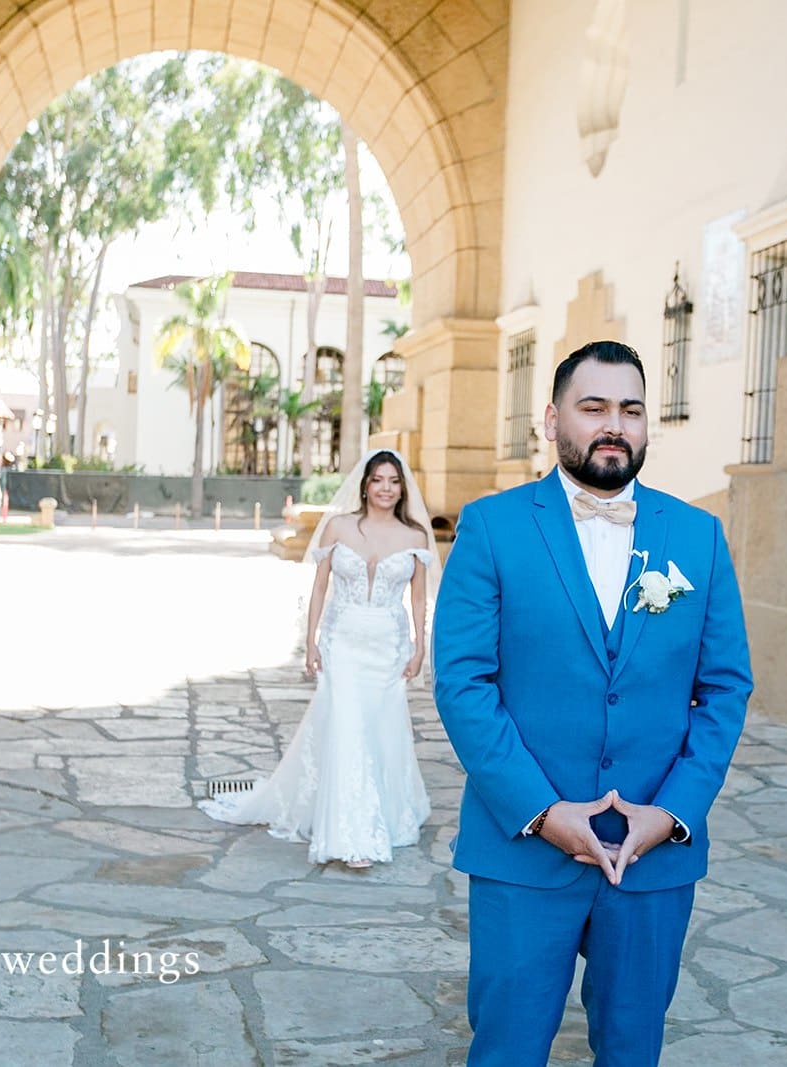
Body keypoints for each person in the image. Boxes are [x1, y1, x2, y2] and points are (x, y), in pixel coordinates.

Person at [433, 340, 752, 1065]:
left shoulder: (697, 536)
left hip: (651, 858)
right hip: (523, 852)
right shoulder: (492, 526)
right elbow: (462, 682)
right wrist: (545, 812)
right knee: (507, 1047)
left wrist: (671, 813)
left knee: (633, 1048)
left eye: (631, 409)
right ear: (552, 420)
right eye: (594, 407)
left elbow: (726, 686)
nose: (615, 424)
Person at [201, 448, 436, 870]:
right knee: (348, 730)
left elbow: (418, 598)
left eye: (394, 481)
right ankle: (350, 836)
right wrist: (310, 641)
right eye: (378, 479)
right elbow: (319, 588)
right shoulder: (338, 527)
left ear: (402, 488)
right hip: (342, 643)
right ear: (365, 484)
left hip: (387, 648)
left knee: (380, 731)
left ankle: (383, 813)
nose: (385, 488)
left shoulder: (415, 536)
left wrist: (421, 647)